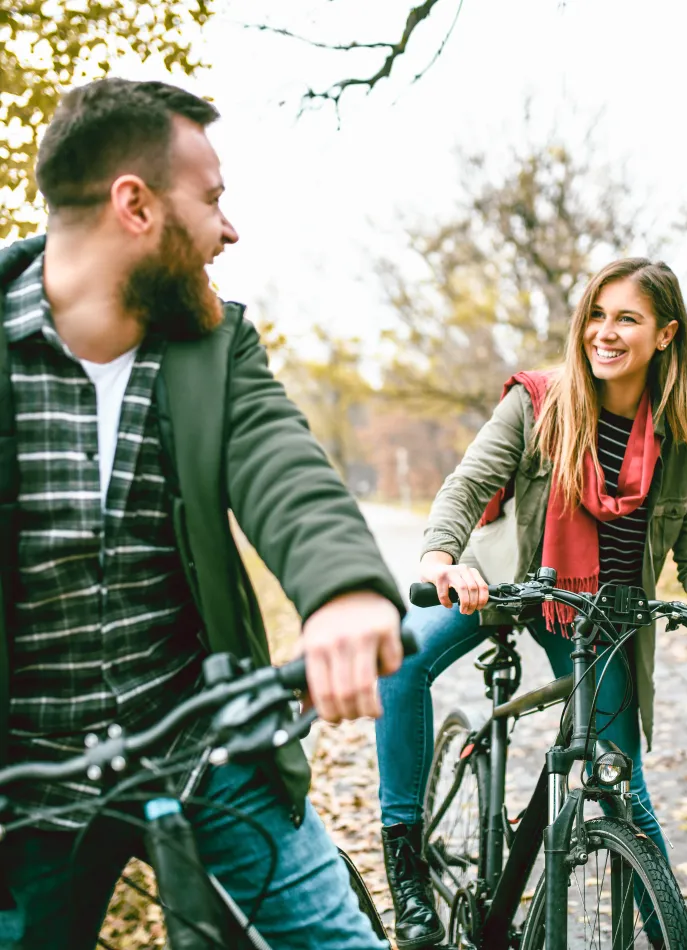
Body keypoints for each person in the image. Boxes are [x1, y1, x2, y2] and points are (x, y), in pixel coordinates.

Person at [0, 78, 404, 950]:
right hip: (23, 787)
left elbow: (285, 469)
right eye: (213, 199)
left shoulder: (216, 345)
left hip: (205, 744)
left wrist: (342, 591)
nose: (229, 229)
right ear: (135, 206)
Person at [375, 258, 687, 949]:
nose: (604, 334)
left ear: (665, 335)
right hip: (502, 583)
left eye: (626, 319)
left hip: (600, 614)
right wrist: (439, 559)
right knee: (397, 659)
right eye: (596, 316)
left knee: (622, 782)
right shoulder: (538, 402)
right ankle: (402, 851)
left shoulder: (684, 439)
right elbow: (465, 488)